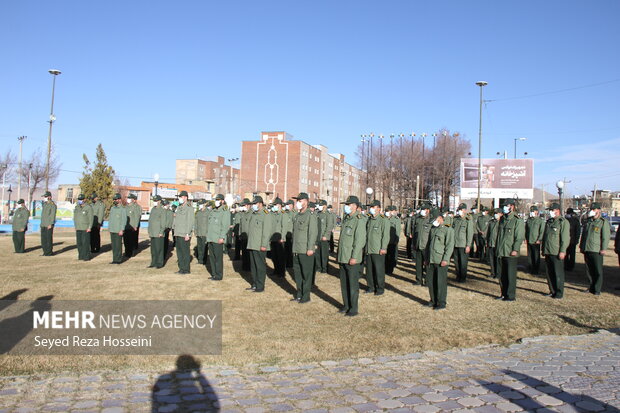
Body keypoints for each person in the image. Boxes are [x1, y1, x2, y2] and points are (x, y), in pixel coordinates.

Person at [337, 195, 367, 317]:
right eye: (346, 205)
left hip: (352, 258)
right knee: (344, 283)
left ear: (355, 206)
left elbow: (360, 241)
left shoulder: (359, 220)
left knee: (353, 284)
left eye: (348, 205)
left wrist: (354, 256)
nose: (346, 207)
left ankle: (353, 308)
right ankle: (346, 305)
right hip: (343, 256)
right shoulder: (346, 219)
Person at [424, 209, 455, 310]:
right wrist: (426, 258)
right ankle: (433, 300)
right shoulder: (433, 229)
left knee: (440, 282)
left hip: (441, 260)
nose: (433, 222)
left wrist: (445, 259)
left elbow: (449, 246)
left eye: (434, 220)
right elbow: (428, 244)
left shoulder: (448, 229)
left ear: (440, 218)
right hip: (431, 259)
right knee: (431, 281)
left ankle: (441, 302)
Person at [291, 192, 318, 303]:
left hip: (306, 250)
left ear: (306, 202)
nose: (298, 203)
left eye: (300, 201)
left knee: (306, 274)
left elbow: (312, 233)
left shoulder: (310, 215)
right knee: (297, 274)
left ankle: (306, 297)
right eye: (297, 201)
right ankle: (299, 294)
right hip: (296, 249)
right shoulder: (297, 216)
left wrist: (310, 248)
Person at [496, 198, 525, 301]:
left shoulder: (517, 220)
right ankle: (503, 293)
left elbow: (519, 237)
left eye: (506, 206)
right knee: (502, 274)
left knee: (510, 275)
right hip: (501, 251)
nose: (504, 208)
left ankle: (510, 295)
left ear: (511, 206)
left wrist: (515, 249)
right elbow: (499, 236)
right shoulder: (503, 219)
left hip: (510, 252)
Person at [579, 202, 611, 295]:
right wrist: (582, 246)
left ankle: (597, 289)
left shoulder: (603, 222)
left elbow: (605, 237)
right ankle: (591, 287)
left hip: (596, 250)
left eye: (594, 209)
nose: (592, 211)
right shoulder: (588, 221)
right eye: (591, 209)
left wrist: (603, 248)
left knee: (597, 270)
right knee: (589, 270)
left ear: (599, 210)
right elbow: (584, 235)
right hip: (587, 248)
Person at [541, 202, 570, 299]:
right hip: (548, 251)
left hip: (556, 251)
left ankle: (559, 292)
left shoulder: (563, 222)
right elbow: (545, 237)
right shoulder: (549, 222)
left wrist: (562, 251)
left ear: (557, 211)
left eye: (551, 210)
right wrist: (543, 249)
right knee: (549, 273)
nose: (550, 212)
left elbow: (565, 238)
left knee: (558, 273)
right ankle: (552, 290)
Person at [246, 196, 273, 292]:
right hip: (252, 244)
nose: (253, 206)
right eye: (253, 204)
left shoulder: (266, 214)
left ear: (260, 203)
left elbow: (266, 231)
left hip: (260, 245)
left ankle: (260, 286)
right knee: (253, 266)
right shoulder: (254, 214)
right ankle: (255, 284)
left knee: (260, 266)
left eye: (255, 203)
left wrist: (264, 245)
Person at [364, 200, 389, 295]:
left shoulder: (383, 220)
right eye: (370, 207)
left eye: (373, 207)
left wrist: (383, 247)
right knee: (369, 271)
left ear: (379, 208)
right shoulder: (369, 219)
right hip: (369, 249)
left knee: (379, 270)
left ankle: (380, 288)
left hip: (378, 250)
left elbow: (385, 236)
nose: (371, 209)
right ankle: (371, 287)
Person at [206, 194, 230, 280]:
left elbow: (225, 226)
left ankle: (219, 275)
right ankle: (214, 274)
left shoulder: (224, 211)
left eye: (218, 199)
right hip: (211, 237)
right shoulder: (213, 210)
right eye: (216, 199)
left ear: (222, 201)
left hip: (218, 238)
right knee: (212, 257)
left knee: (218, 258)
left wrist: (222, 237)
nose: (216, 201)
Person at [172, 191, 195, 275]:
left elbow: (190, 222)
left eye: (181, 197)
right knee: (179, 252)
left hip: (184, 233)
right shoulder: (179, 207)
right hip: (178, 232)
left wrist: (187, 233)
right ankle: (181, 268)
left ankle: (186, 269)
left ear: (185, 197)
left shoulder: (189, 208)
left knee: (185, 252)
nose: (180, 199)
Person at [453, 203, 474, 282]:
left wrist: (468, 245)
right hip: (455, 243)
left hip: (463, 244)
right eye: (459, 209)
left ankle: (463, 277)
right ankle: (458, 276)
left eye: (461, 210)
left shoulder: (468, 219)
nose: (459, 211)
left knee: (463, 262)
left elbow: (469, 233)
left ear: (465, 210)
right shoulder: (456, 219)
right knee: (456, 261)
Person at [412, 203, 432, 285]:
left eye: (424, 209)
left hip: (426, 246)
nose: (422, 211)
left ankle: (427, 281)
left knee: (427, 265)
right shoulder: (418, 219)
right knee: (418, 265)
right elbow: (414, 232)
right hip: (418, 245)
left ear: (428, 210)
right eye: (422, 209)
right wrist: (414, 244)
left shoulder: (431, 220)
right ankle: (418, 280)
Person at [148, 195, 166, 269]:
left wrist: (161, 231)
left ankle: (159, 263)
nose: (154, 202)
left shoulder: (162, 210)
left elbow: (163, 222)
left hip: (159, 233)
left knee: (159, 249)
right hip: (153, 232)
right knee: (153, 249)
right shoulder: (153, 209)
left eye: (156, 201)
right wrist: (149, 231)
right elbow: (150, 220)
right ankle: (153, 262)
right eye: (154, 201)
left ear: (159, 201)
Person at [73, 194, 93, 261]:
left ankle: (86, 256)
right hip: (78, 227)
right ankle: (81, 256)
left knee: (85, 243)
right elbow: (75, 217)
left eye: (81, 199)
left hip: (85, 228)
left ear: (84, 199)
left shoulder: (88, 207)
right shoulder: (77, 207)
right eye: (79, 199)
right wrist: (75, 226)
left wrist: (89, 227)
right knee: (79, 243)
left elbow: (90, 218)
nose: (80, 201)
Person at [108, 193, 127, 264]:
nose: (115, 200)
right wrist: (109, 228)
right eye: (114, 199)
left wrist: (122, 229)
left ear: (119, 200)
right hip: (113, 229)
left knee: (118, 245)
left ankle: (118, 259)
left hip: (118, 230)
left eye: (116, 199)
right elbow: (111, 219)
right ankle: (114, 259)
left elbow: (123, 220)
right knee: (114, 245)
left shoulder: (123, 209)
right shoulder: (113, 208)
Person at [525, 205, 544, 275]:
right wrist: (526, 238)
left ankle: (536, 270)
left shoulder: (540, 220)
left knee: (536, 256)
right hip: (529, 240)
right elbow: (526, 230)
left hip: (536, 241)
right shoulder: (529, 220)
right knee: (530, 255)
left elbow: (542, 231)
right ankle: (530, 268)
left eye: (533, 211)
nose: (532, 212)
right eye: (531, 211)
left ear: (536, 212)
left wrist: (539, 239)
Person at [269, 197, 286, 277]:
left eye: (276, 204)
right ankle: (276, 270)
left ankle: (281, 272)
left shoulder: (283, 214)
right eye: (274, 205)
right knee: (274, 256)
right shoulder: (272, 214)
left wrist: (282, 238)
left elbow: (284, 227)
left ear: (280, 205)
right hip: (273, 239)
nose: (274, 206)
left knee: (281, 257)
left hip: (280, 239)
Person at [486, 208, 503, 279]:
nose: (496, 214)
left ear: (501, 214)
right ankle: (493, 273)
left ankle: (498, 274)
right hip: (491, 243)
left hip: (498, 244)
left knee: (497, 260)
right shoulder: (491, 222)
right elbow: (488, 233)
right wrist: (487, 241)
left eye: (497, 213)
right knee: (492, 259)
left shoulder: (502, 222)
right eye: (495, 213)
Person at [124, 193, 141, 258]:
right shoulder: (126, 206)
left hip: (132, 227)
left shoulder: (136, 207)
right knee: (126, 240)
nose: (128, 199)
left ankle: (131, 252)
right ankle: (127, 252)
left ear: (133, 200)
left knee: (131, 240)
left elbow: (137, 217)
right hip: (126, 226)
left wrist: (135, 225)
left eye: (129, 198)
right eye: (128, 198)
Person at [315, 200, 331, 274]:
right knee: (318, 253)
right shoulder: (318, 214)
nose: (320, 206)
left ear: (325, 206)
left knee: (324, 254)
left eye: (321, 205)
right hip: (318, 237)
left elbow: (329, 226)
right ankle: (319, 267)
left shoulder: (328, 215)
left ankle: (324, 268)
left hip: (324, 238)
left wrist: (325, 235)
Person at [40, 191, 57, 256]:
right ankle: (45, 251)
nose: (45, 198)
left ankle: (49, 252)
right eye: (44, 197)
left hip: (48, 224)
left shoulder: (52, 205)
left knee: (48, 239)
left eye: (46, 197)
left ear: (50, 197)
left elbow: (52, 215)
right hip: (43, 224)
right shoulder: (45, 204)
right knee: (43, 239)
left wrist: (51, 223)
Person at [385, 206, 401, 275]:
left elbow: (397, 230)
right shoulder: (384, 218)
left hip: (392, 241)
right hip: (385, 241)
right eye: (387, 211)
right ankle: (385, 268)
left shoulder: (396, 219)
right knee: (385, 256)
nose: (388, 212)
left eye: (389, 211)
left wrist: (396, 240)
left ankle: (390, 270)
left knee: (391, 256)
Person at [239, 198, 252, 272]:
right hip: (243, 236)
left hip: (249, 236)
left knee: (249, 253)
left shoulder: (252, 213)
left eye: (244, 205)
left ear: (247, 205)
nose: (243, 206)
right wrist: (240, 233)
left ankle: (249, 266)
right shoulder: (243, 213)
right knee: (244, 252)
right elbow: (241, 225)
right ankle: (245, 266)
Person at [281, 200, 295, 269]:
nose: (287, 206)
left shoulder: (294, 213)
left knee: (290, 250)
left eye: (288, 205)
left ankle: (290, 264)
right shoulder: (285, 213)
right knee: (285, 250)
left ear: (292, 205)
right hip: (285, 234)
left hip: (290, 235)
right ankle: (286, 263)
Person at [194, 199, 209, 265]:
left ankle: (204, 260)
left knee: (204, 248)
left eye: (201, 204)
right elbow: (196, 222)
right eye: (199, 204)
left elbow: (209, 223)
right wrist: (195, 231)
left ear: (204, 204)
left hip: (205, 233)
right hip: (199, 232)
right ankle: (200, 260)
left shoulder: (208, 212)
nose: (199, 205)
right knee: (199, 247)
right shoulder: (198, 213)